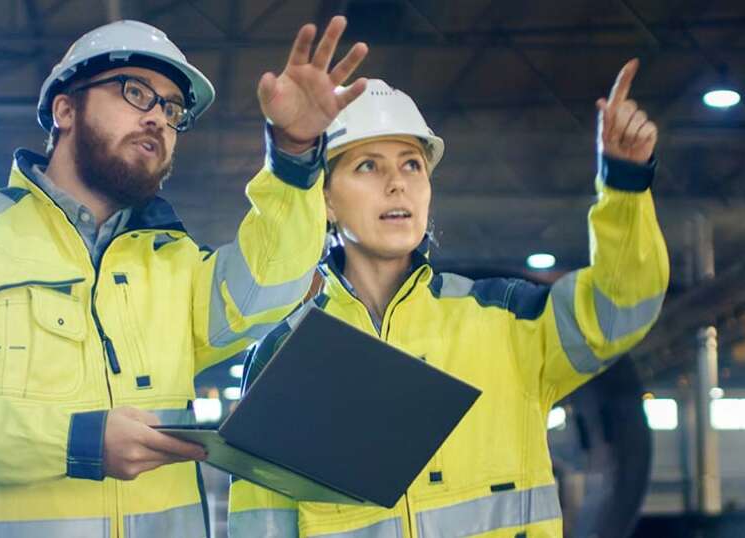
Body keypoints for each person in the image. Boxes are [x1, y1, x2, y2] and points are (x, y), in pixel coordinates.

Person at [0, 17, 368, 537]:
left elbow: (271, 286)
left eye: (172, 109)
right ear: (65, 109)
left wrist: (292, 156)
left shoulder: (174, 265)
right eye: (135, 92)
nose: (158, 118)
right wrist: (76, 442)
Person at [227, 60, 668, 537]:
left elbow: (620, 308)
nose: (397, 183)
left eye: (411, 164)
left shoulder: (508, 322)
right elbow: (261, 520)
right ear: (326, 200)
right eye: (368, 165)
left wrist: (624, 185)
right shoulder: (288, 352)